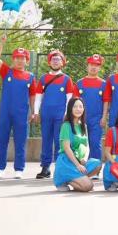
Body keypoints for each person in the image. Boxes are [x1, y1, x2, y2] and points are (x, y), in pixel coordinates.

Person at [0, 35, 39, 179]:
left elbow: (33, 96)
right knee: (2, 140)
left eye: (22, 58)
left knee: (20, 142)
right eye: (17, 57)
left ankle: (19, 169)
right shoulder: (7, 72)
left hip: (22, 113)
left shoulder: (30, 77)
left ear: (27, 60)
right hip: (5, 112)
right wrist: (1, 43)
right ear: (13, 59)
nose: (20, 60)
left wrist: (33, 112)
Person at [33, 50, 78, 179]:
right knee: (46, 140)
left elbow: (69, 99)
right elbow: (38, 97)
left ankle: (60, 167)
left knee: (60, 141)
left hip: (60, 115)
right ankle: (45, 168)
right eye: (53, 59)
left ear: (62, 63)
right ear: (49, 62)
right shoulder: (43, 78)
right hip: (46, 113)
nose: (56, 61)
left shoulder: (67, 79)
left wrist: (66, 114)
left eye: (58, 59)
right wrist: (36, 112)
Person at [53, 97, 102, 192]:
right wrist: (78, 165)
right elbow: (67, 148)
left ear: (83, 109)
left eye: (80, 106)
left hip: (80, 160)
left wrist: (84, 159)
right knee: (88, 186)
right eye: (75, 106)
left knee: (97, 164)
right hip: (67, 162)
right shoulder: (66, 125)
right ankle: (64, 178)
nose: (78, 109)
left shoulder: (84, 126)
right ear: (70, 109)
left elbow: (87, 145)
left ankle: (77, 180)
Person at [76, 54, 106, 172]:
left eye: (96, 65)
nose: (94, 67)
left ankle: (95, 170)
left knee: (95, 143)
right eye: (91, 64)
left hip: (97, 118)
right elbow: (75, 102)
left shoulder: (103, 84)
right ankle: (81, 169)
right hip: (81, 119)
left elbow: (106, 101)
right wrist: (76, 118)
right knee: (80, 144)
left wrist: (104, 117)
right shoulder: (80, 83)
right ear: (87, 66)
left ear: (99, 67)